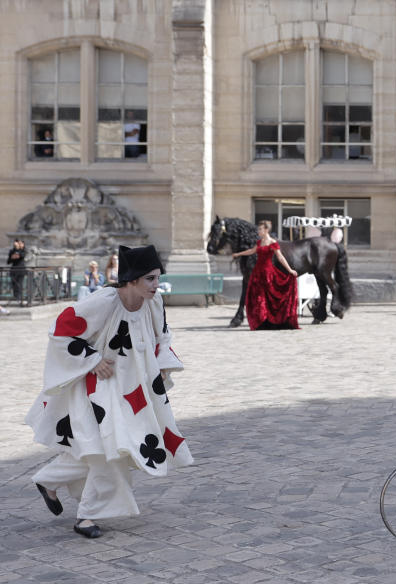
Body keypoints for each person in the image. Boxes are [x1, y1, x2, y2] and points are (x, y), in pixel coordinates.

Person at [25, 244, 192, 539]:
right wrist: (92, 360)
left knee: (99, 446)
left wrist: (163, 364)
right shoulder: (103, 302)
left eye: (157, 278)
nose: (156, 285)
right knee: (110, 449)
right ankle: (88, 515)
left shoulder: (154, 301)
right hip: (99, 390)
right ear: (132, 280)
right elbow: (61, 330)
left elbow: (162, 336)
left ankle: (48, 480)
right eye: (150, 279)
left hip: (137, 388)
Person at [232, 220, 299, 330]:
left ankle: (271, 321)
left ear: (266, 230)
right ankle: (261, 321)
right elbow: (251, 251)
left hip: (268, 274)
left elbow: (280, 257)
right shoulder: (259, 242)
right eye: (258, 229)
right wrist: (238, 254)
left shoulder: (273, 243)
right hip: (257, 273)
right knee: (258, 298)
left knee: (268, 299)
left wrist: (290, 270)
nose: (258, 231)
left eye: (260, 229)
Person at [7, 238, 27, 304]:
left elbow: (20, 256)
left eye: (20, 243)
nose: (19, 244)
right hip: (13, 270)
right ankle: (15, 298)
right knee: (14, 285)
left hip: (21, 270)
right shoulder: (12, 251)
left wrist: (16, 253)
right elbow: (9, 261)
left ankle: (19, 299)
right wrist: (15, 254)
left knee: (19, 285)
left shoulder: (23, 250)